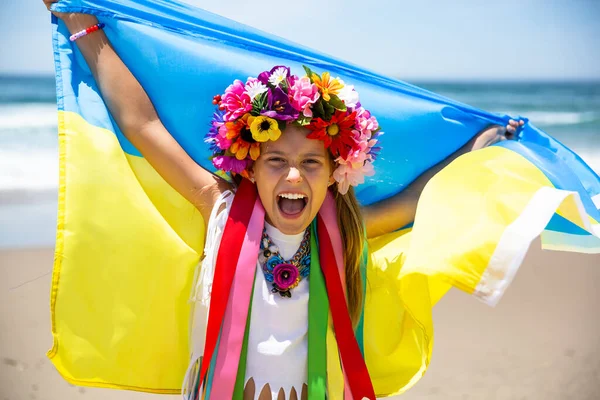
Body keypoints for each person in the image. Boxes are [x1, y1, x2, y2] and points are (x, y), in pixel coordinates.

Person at [43, 1, 524, 399]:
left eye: (312, 163)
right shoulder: (221, 209)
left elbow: (417, 200)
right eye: (276, 160)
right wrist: (82, 27)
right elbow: (143, 125)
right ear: (248, 166)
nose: (293, 174)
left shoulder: (341, 231)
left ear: (337, 172)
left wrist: (478, 144)